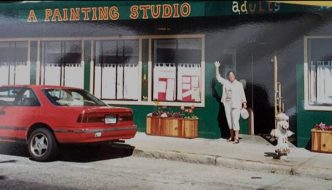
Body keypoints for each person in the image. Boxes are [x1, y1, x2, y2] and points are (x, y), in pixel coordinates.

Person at [214, 61, 247, 144]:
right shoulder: (226, 82)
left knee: (235, 120)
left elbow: (242, 94)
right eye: (229, 75)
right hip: (227, 104)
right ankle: (231, 136)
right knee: (229, 121)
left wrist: (244, 103)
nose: (231, 76)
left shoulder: (239, 84)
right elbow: (218, 77)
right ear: (228, 76)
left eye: (232, 75)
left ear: (235, 76)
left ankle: (236, 138)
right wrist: (217, 67)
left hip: (236, 105)